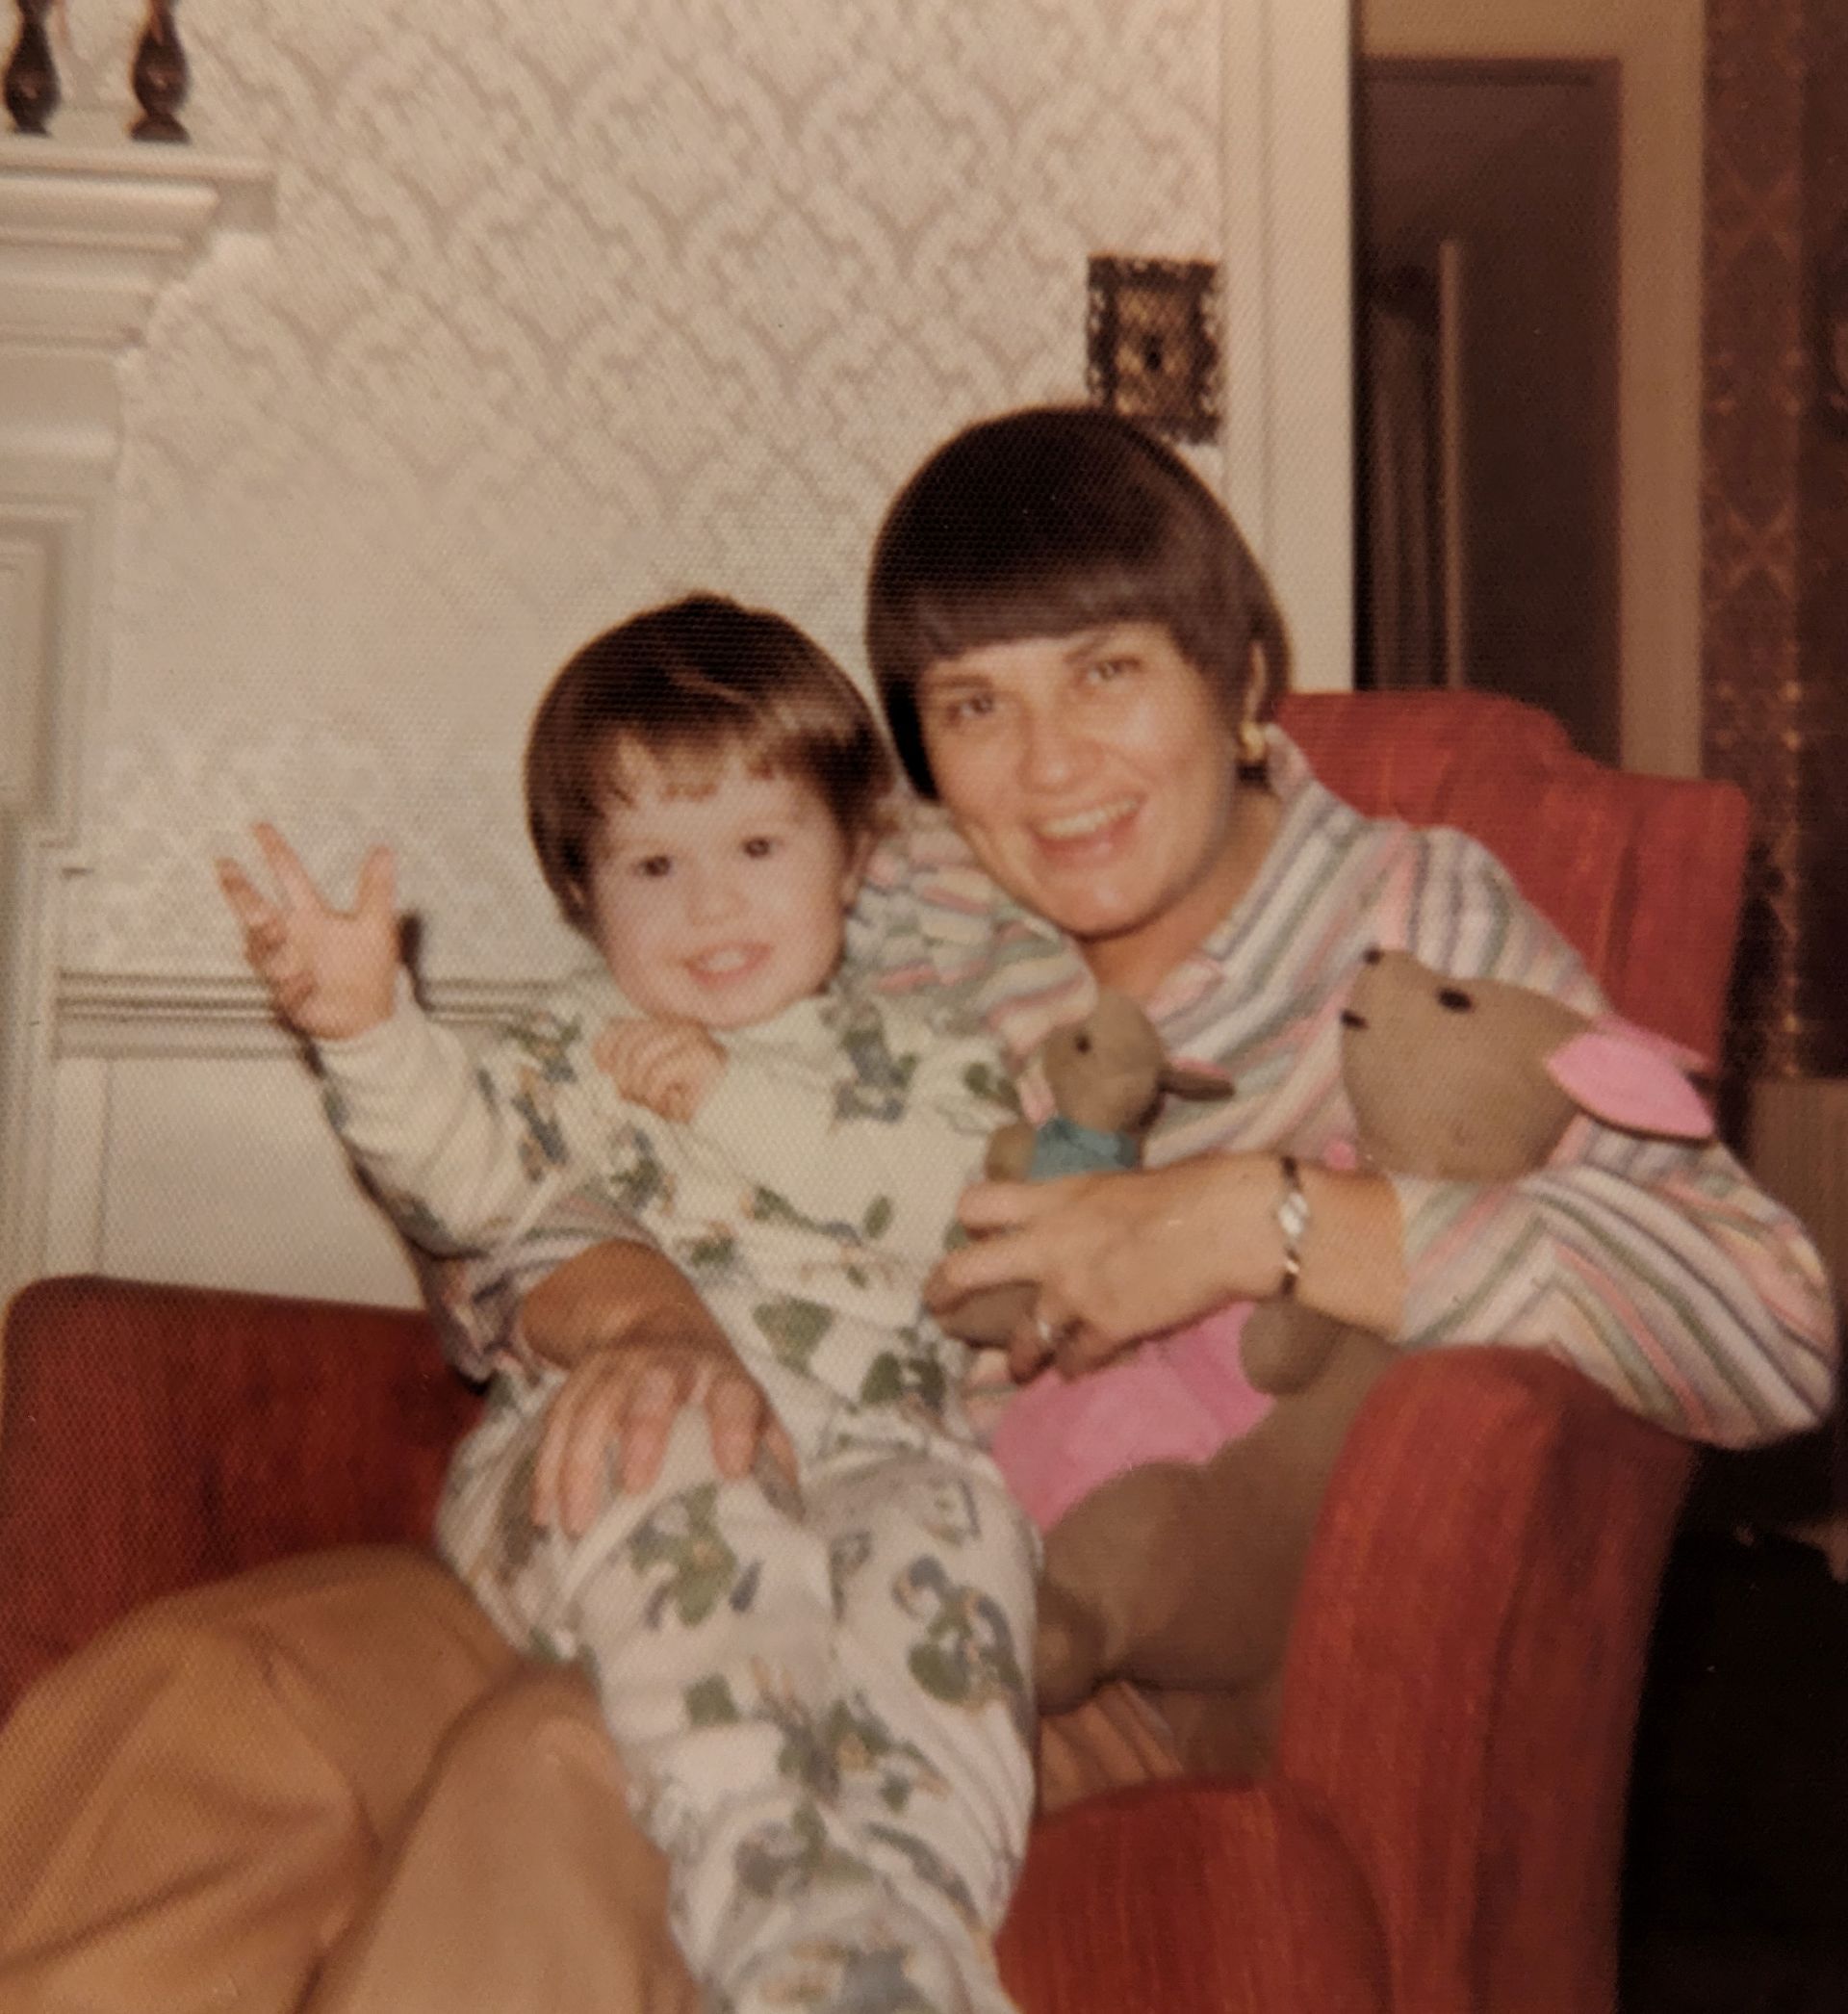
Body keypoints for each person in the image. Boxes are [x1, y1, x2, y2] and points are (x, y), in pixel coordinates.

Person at [0, 407, 1835, 2013]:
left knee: (563, 1773)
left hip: (1006, 1638)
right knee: (205, 1705)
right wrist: (628, 1308)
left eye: (1106, 673)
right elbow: (516, 1167)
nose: (1051, 769)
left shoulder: (1412, 920)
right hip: (647, 1513)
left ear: (1240, 679)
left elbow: (1764, 1314)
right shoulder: (875, 891)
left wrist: (1250, 1219)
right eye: (976, 708)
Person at [213, 595, 1038, 2014]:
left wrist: (734, 1101)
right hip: (606, 1463)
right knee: (677, 1453)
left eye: (760, 848)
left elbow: (954, 1208)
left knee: (962, 1538)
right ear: (582, 896)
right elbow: (467, 1178)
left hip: (876, 1452)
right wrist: (369, 1034)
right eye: (654, 864)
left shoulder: (934, 1057)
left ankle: (905, 1949)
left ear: (854, 856)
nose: (710, 905)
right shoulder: (567, 1051)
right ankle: (775, 1906)